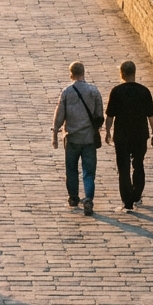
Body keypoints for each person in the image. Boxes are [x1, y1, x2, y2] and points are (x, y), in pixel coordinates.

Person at [52, 62, 104, 216]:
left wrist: (55, 133)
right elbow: (100, 115)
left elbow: (59, 114)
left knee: (72, 169)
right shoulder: (94, 91)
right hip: (88, 139)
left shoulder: (67, 92)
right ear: (84, 72)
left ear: (71, 74)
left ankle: (73, 197)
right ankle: (88, 198)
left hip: (72, 137)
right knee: (89, 172)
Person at [105, 61, 153, 212]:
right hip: (140, 134)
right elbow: (151, 116)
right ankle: (136, 194)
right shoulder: (144, 91)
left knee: (123, 167)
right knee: (138, 164)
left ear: (121, 73)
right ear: (134, 72)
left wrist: (107, 132)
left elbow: (109, 116)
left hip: (121, 135)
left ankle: (127, 202)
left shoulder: (116, 91)